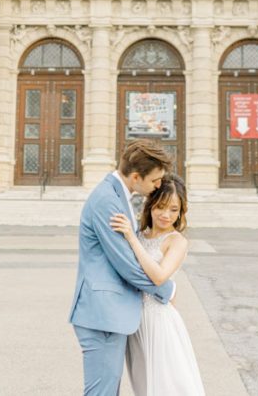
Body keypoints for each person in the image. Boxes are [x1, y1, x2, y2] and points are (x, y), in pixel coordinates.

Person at [69, 140, 176, 395]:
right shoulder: (107, 200)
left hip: (110, 313)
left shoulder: (118, 195)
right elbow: (125, 264)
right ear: (136, 177)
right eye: (155, 180)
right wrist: (166, 288)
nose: (158, 185)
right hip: (103, 314)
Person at [110, 173, 205, 395]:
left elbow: (159, 277)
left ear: (181, 211)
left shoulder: (177, 241)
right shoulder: (140, 234)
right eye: (161, 207)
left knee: (168, 384)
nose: (166, 215)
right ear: (150, 204)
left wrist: (131, 240)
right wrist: (134, 237)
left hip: (159, 320)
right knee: (144, 385)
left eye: (173, 209)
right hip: (135, 320)